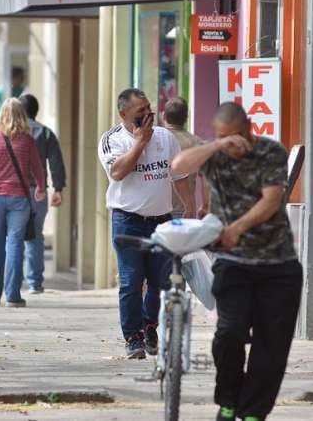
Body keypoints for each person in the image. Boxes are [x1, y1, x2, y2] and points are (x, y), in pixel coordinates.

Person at [172, 102, 302, 421]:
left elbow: (272, 200)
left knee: (271, 346)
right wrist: (216, 144)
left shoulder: (270, 152)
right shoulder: (215, 154)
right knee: (229, 332)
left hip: (277, 263)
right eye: (222, 136)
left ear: (249, 129)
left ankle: (254, 412)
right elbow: (178, 165)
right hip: (233, 264)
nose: (232, 144)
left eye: (235, 136)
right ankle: (228, 402)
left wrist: (236, 228)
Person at [98, 88, 196, 359]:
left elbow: (179, 176)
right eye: (140, 110)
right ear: (124, 113)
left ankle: (149, 325)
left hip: (161, 221)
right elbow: (117, 172)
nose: (148, 114)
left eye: (149, 108)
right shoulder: (112, 140)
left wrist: (188, 207)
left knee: (160, 282)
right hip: (127, 221)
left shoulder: (166, 138)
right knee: (131, 281)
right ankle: (132, 337)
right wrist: (140, 143)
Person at [0, 98, 46, 307]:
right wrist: (41, 187)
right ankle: (12, 295)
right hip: (19, 200)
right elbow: (38, 168)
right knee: (15, 245)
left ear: (2, 115)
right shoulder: (28, 140)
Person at [18, 94, 66, 294]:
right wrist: (58, 189)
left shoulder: (11, 132)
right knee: (35, 237)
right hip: (38, 192)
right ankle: (35, 283)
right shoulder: (46, 134)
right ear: (36, 111)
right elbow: (56, 163)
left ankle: (13, 282)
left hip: (14, 192)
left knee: (13, 237)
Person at [162, 97, 209, 219]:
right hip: (184, 211)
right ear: (186, 118)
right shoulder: (197, 143)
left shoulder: (155, 140)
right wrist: (205, 205)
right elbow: (206, 180)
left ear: (164, 116)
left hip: (154, 211)